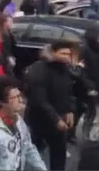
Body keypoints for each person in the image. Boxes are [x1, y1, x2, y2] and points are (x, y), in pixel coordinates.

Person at [25, 41, 76, 170]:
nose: (66, 57)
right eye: (63, 53)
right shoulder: (39, 69)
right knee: (30, 151)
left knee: (59, 153)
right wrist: (56, 119)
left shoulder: (64, 68)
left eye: (68, 54)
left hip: (58, 116)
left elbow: (68, 90)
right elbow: (39, 99)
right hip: (38, 119)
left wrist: (70, 110)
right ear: (53, 52)